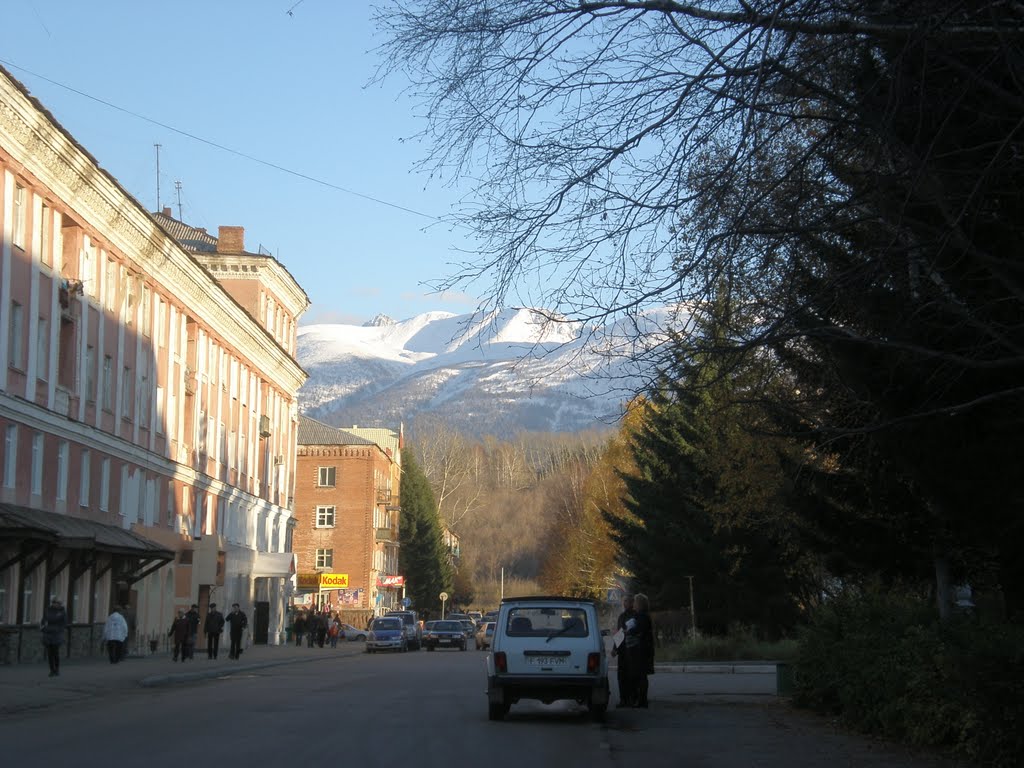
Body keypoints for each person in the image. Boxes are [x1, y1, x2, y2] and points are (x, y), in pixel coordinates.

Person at [624, 593, 655, 708]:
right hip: (643, 648)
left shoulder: (642, 616)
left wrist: (628, 632)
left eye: (635, 602)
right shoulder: (642, 615)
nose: (633, 605)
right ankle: (641, 700)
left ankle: (642, 701)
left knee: (641, 675)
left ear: (639, 604)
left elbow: (639, 630)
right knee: (641, 675)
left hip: (642, 649)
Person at [612, 593, 637, 707]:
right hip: (623, 651)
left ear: (632, 603)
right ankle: (623, 699)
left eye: (627, 601)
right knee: (621, 676)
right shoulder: (622, 616)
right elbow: (619, 633)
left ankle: (632, 699)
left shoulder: (636, 616)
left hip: (632, 650)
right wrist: (614, 649)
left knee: (631, 675)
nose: (624, 603)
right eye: (624, 601)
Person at [40, 597, 68, 677]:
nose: (55, 604)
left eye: (56, 603)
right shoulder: (48, 610)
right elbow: (43, 620)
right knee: (49, 653)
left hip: (57, 634)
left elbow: (64, 623)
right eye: (53, 602)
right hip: (48, 633)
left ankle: (57, 669)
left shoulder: (62, 612)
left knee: (55, 652)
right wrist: (43, 628)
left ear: (59, 604)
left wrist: (59, 629)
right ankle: (52, 670)